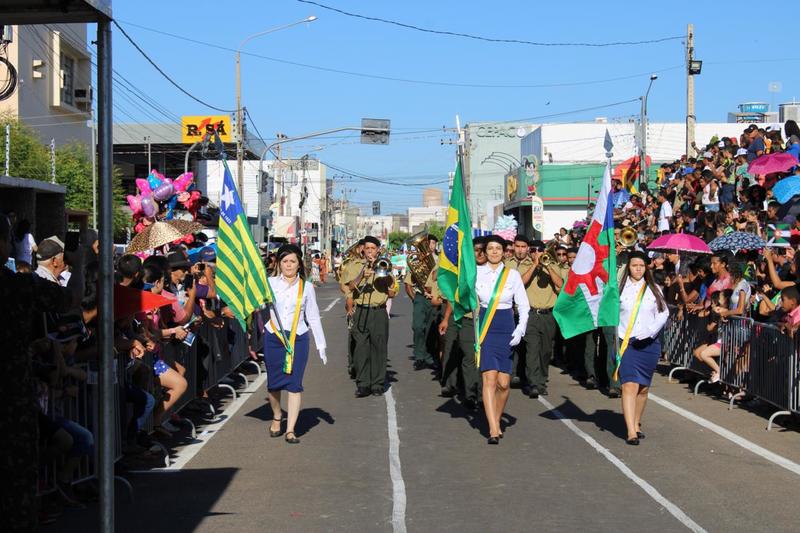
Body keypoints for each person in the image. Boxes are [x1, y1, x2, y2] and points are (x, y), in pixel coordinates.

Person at [0, 214, 85, 531]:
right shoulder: (15, 287)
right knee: (16, 493)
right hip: (11, 405)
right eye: (8, 239)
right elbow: (72, 298)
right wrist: (77, 264)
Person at [264, 245, 327, 444]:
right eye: (285, 261)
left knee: (294, 384)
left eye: (292, 261)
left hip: (298, 338)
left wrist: (321, 345)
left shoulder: (306, 287)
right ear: (279, 264)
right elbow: (257, 305)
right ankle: (276, 415)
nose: (288, 265)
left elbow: (314, 317)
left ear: (299, 264)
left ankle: (290, 430)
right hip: (274, 337)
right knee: (274, 385)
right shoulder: (269, 283)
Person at [476, 235, 529, 444]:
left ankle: (496, 419)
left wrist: (520, 329)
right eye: (491, 248)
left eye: (498, 248)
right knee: (489, 380)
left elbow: (523, 306)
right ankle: (493, 428)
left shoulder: (513, 275)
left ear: (504, 251)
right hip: (486, 327)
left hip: (506, 326)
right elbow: (467, 298)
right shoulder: (477, 273)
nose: (495, 252)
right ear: (485, 252)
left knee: (504, 384)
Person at [616, 251, 669, 445]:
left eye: (641, 265)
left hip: (649, 344)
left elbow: (664, 313)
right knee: (629, 385)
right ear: (628, 267)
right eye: (634, 265)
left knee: (643, 389)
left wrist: (650, 330)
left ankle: (636, 422)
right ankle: (630, 431)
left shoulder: (653, 288)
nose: (638, 269)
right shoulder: (619, 289)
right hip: (627, 343)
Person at [342, 235, 397, 397]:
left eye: (373, 249)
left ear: (378, 250)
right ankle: (363, 383)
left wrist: (381, 272)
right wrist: (362, 276)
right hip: (361, 310)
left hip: (379, 311)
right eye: (367, 248)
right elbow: (348, 287)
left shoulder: (385, 266)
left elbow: (392, 292)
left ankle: (377, 383)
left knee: (379, 348)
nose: (370, 252)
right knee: (360, 349)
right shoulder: (354, 266)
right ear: (362, 250)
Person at [438, 237, 486, 409]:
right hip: (468, 320)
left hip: (487, 321)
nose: (479, 253)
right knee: (469, 359)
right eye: (475, 250)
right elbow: (453, 297)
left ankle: (484, 394)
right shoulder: (464, 273)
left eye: (482, 249)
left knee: (485, 360)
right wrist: (446, 318)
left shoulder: (496, 272)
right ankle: (471, 394)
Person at [521, 239, 563, 398]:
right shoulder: (524, 266)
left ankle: (541, 381)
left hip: (548, 315)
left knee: (545, 351)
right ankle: (533, 383)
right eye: (533, 250)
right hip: (531, 314)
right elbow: (521, 282)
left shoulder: (552, 265)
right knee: (532, 349)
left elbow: (561, 285)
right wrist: (534, 266)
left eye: (539, 250)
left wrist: (547, 267)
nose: (536, 253)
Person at [405, 235, 437, 371]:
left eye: (432, 243)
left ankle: (430, 357)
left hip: (435, 298)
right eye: (427, 243)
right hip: (420, 297)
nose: (430, 246)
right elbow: (408, 283)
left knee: (432, 328)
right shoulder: (417, 261)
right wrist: (415, 298)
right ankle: (419, 356)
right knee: (418, 327)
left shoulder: (441, 261)